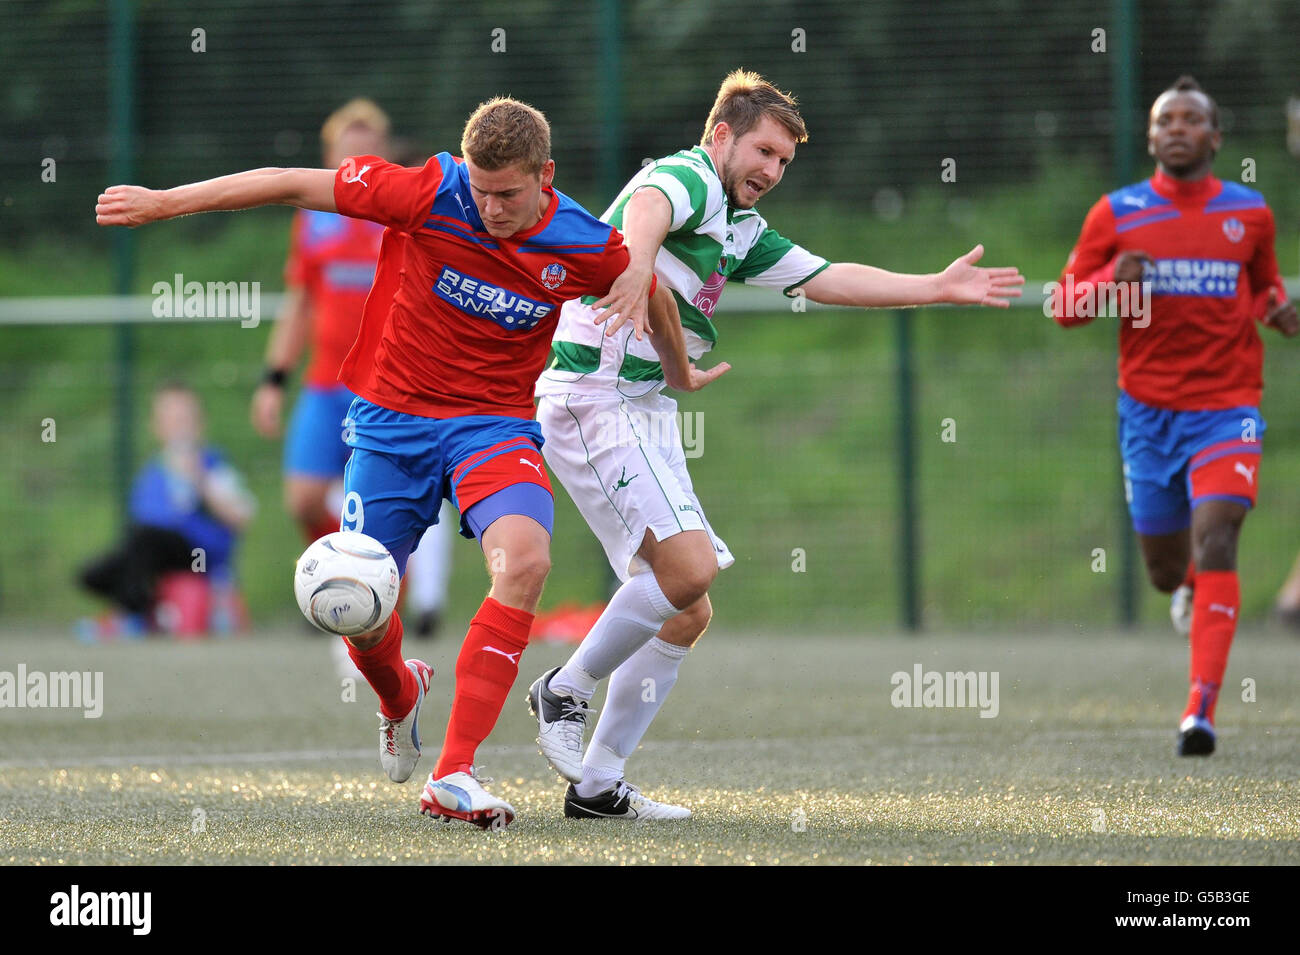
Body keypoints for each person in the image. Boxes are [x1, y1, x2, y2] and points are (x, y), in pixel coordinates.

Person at [97, 96, 676, 829]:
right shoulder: (429, 192)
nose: (491, 208)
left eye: (509, 194)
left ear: (546, 176)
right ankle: (401, 694)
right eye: (481, 189)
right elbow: (286, 180)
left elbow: (648, 289)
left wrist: (678, 364)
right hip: (390, 424)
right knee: (354, 605)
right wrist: (164, 203)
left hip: (491, 428)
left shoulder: (584, 242)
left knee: (526, 562)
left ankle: (455, 772)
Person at [527, 70, 1024, 820]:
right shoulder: (688, 174)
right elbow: (654, 203)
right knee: (687, 570)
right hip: (593, 395)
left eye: (784, 162)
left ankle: (598, 784)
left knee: (687, 608)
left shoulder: (738, 226)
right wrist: (633, 259)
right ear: (722, 135)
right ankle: (562, 687)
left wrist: (936, 285)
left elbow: (827, 278)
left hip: (640, 406)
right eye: (763, 150)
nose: (771, 170)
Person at [1050, 76, 1297, 755]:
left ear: (1215, 138)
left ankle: (1200, 712)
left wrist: (1278, 311)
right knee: (1165, 569)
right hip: (1148, 415)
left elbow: (1263, 287)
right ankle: (1185, 585)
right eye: (1167, 121)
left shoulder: (1251, 213)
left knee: (1218, 539)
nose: (1179, 129)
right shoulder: (1116, 213)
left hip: (1227, 409)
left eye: (1193, 119)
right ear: (1152, 137)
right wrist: (1110, 281)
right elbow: (1065, 307)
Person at [251, 99, 453, 642]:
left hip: (389, 387)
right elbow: (299, 304)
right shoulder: (312, 221)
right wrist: (273, 378)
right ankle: (342, 580)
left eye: (366, 149)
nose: (355, 159)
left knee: (406, 499)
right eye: (345, 149)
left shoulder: (405, 212)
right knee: (302, 498)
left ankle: (386, 596)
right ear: (328, 155)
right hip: (324, 385)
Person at [79, 381, 255, 638]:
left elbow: (241, 516)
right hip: (154, 556)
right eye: (172, 421)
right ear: (158, 427)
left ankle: (130, 615)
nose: (180, 429)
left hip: (197, 554)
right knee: (94, 573)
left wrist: (201, 482)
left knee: (146, 541)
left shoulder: (213, 465)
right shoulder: (150, 475)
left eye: (185, 420)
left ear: (200, 425)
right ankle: (141, 607)